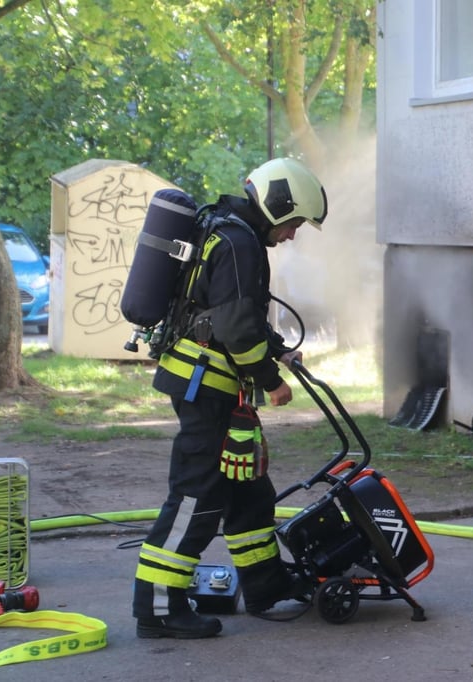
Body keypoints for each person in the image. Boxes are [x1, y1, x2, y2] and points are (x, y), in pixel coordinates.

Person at [133, 157, 329, 639]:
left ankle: (265, 585)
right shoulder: (241, 244)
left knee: (249, 491)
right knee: (197, 496)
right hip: (209, 389)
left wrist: (278, 350)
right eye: (295, 224)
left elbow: (225, 311)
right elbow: (236, 329)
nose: (293, 235)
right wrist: (270, 379)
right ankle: (158, 608)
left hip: (209, 384)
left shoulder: (226, 230)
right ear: (277, 206)